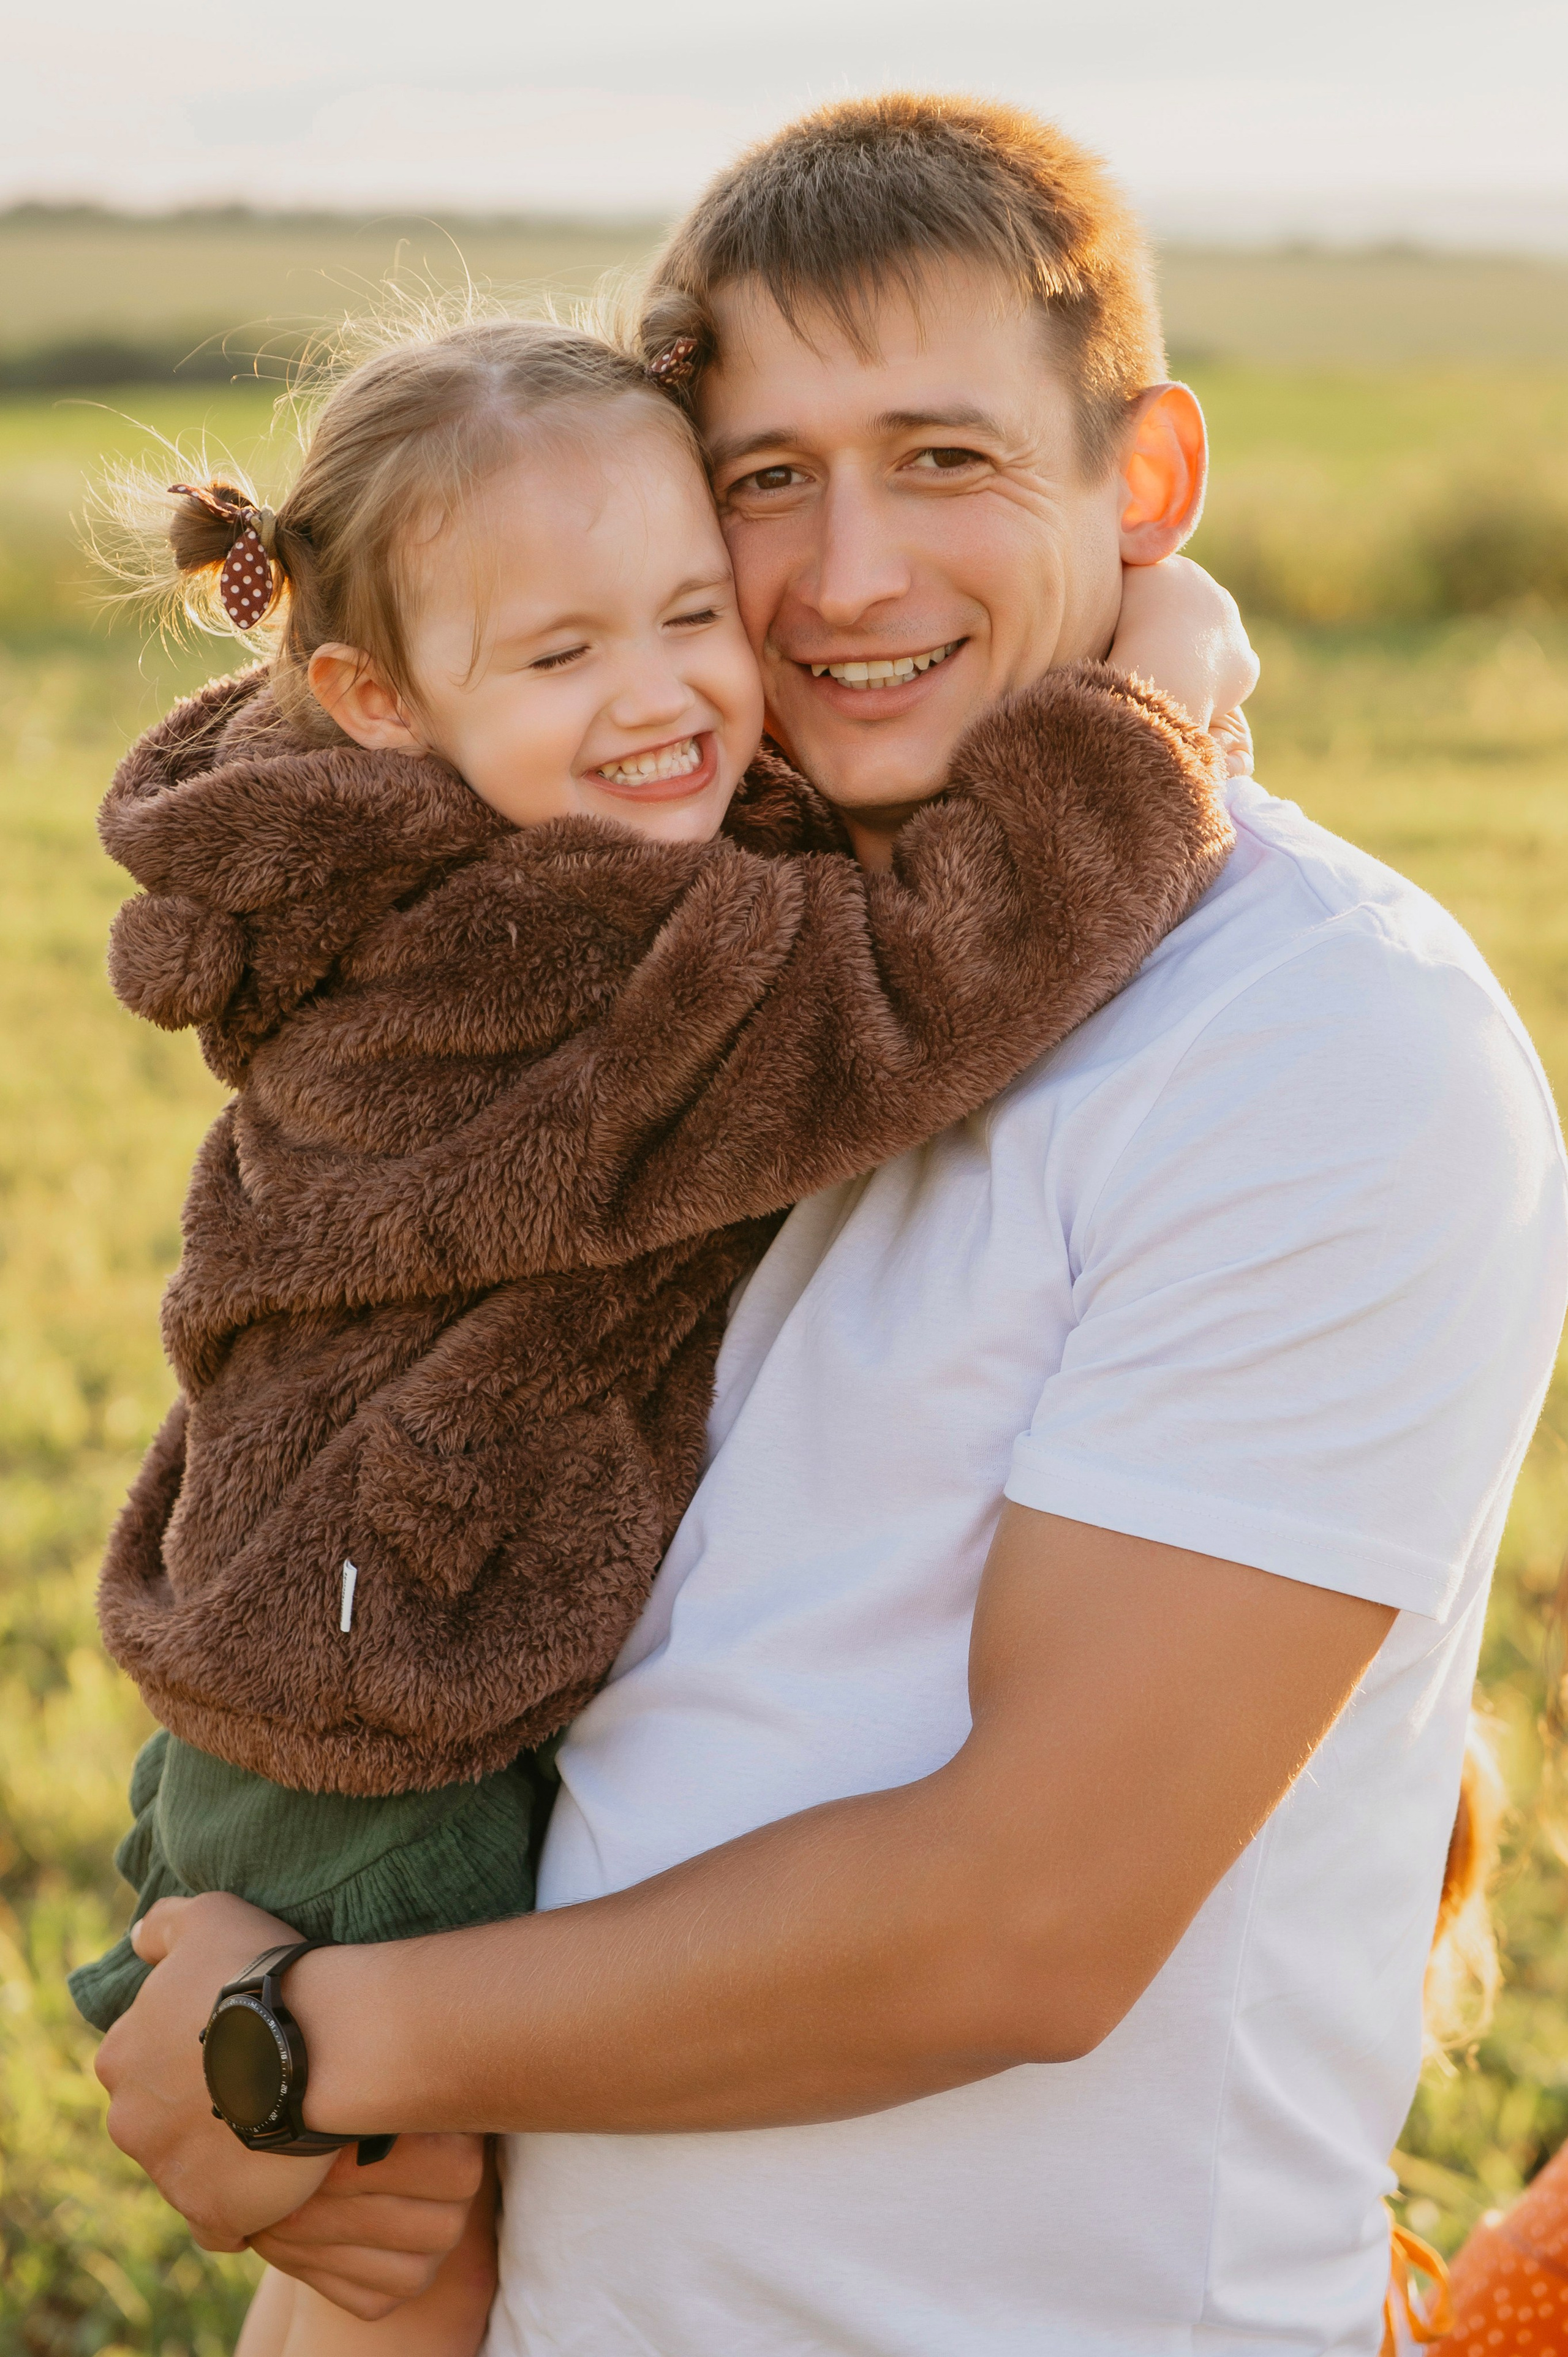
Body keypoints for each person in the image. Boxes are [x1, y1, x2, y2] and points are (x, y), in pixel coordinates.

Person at [96, 94, 1568, 2356]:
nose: (846, 576)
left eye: (944, 459)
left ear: (1147, 481)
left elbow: (1024, 1922)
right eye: (766, 480)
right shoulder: (690, 933)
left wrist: (296, 2045)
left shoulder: (1316, 1035)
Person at [80, 304, 1240, 2357]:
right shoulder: (544, 949)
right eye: (562, 655)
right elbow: (909, 989)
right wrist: (1145, 725)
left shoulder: (388, 828)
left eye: (695, 613)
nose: (663, 696)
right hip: (386, 1734)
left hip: (318, 1656)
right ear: (374, 695)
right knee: (418, 2278)